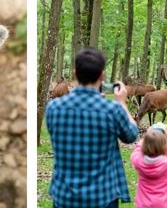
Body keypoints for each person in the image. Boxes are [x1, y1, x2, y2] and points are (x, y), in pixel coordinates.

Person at [45, 48, 139, 207]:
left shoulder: (54, 107)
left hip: (65, 196)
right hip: (102, 197)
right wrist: (122, 103)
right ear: (102, 76)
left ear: (74, 74)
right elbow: (131, 135)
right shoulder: (111, 110)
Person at [131, 123, 167, 208]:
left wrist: (147, 137)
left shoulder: (139, 161)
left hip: (143, 204)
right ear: (165, 145)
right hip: (165, 204)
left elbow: (137, 150)